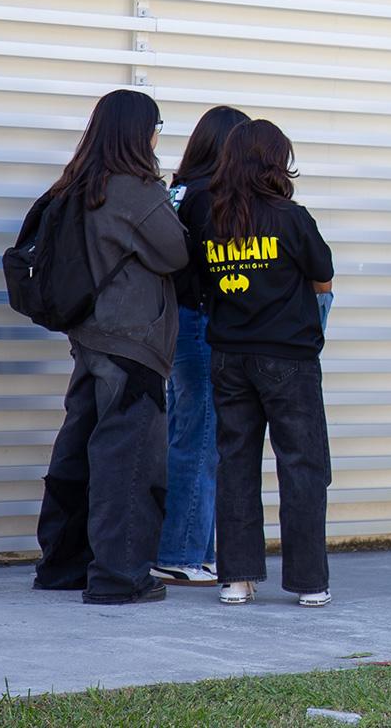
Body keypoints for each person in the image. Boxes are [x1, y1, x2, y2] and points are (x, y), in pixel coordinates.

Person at [33, 89, 189, 605]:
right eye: (156, 125)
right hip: (132, 342)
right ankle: (120, 577)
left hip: (89, 336)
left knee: (79, 449)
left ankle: (62, 565)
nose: (157, 135)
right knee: (130, 458)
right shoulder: (133, 189)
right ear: (138, 131)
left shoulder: (77, 183)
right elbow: (175, 251)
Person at [189, 120, 336, 607]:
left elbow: (199, 285)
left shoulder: (212, 220)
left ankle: (236, 578)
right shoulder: (291, 218)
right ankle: (309, 582)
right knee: (303, 467)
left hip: (229, 355)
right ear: (276, 161)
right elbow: (323, 273)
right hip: (288, 358)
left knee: (236, 465)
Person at [152, 104, 251, 588]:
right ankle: (180, 551)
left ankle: (195, 548)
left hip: (175, 323)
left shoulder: (179, 188)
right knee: (202, 437)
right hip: (201, 323)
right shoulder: (213, 195)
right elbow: (218, 266)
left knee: (186, 431)